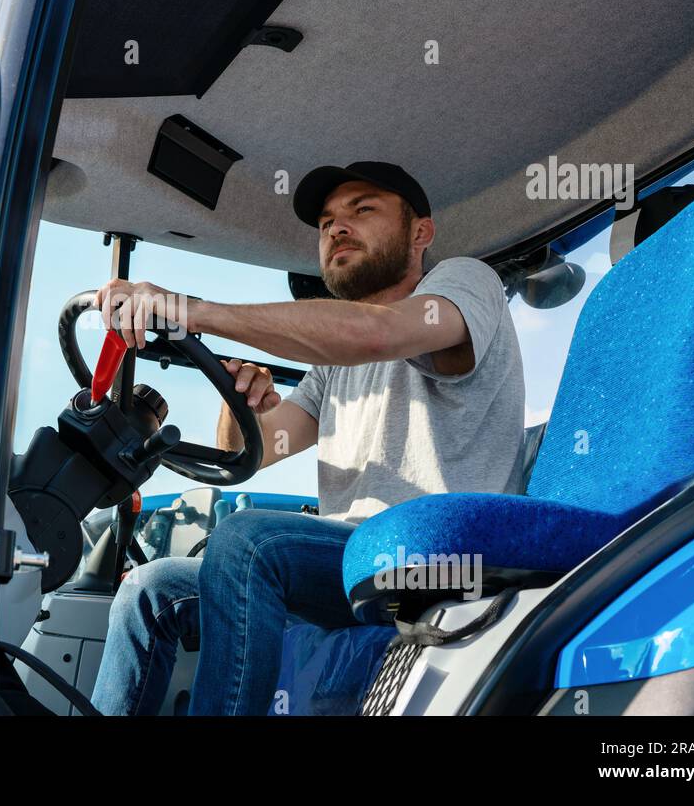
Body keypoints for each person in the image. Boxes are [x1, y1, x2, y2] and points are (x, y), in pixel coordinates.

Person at [89, 161, 526, 715]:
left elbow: (378, 333)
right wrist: (238, 396)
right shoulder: (335, 365)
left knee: (248, 543)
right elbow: (254, 452)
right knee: (149, 589)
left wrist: (192, 312)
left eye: (362, 210)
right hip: (351, 559)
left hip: (442, 554)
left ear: (421, 232)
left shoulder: (463, 282)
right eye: (326, 223)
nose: (337, 228)